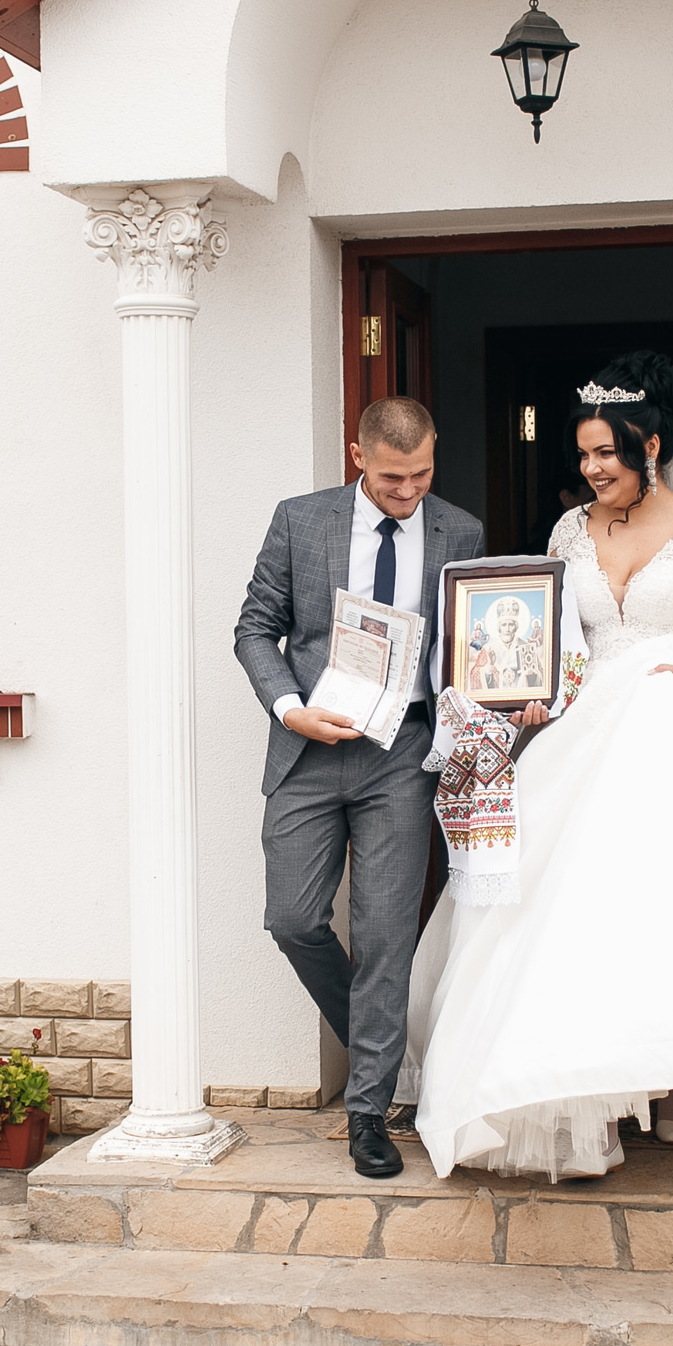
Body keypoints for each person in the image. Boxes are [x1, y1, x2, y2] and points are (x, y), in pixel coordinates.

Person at [401, 354, 673, 1179]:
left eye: (605, 454)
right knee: (571, 900)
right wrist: (531, 690)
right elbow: (557, 635)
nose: (591, 469)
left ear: (651, 448)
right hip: (590, 723)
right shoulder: (570, 532)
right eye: (584, 456)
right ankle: (578, 1084)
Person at [233, 397, 487, 1179]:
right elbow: (254, 627)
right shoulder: (299, 520)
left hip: (401, 754)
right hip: (309, 745)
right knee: (293, 917)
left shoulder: (460, 530)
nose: (409, 490)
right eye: (391, 477)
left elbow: (468, 645)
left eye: (422, 474)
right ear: (357, 456)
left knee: (384, 936)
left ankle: (369, 1111)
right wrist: (289, 707)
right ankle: (387, 1047)